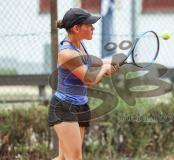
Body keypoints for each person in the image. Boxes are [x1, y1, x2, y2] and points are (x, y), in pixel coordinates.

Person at [48, 8, 119, 160]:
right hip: (64, 108)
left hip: (80, 105)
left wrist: (113, 63)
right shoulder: (67, 53)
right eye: (89, 25)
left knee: (63, 158)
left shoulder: (80, 46)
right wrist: (104, 69)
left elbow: (93, 63)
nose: (93, 28)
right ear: (76, 28)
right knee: (75, 158)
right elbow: (88, 79)